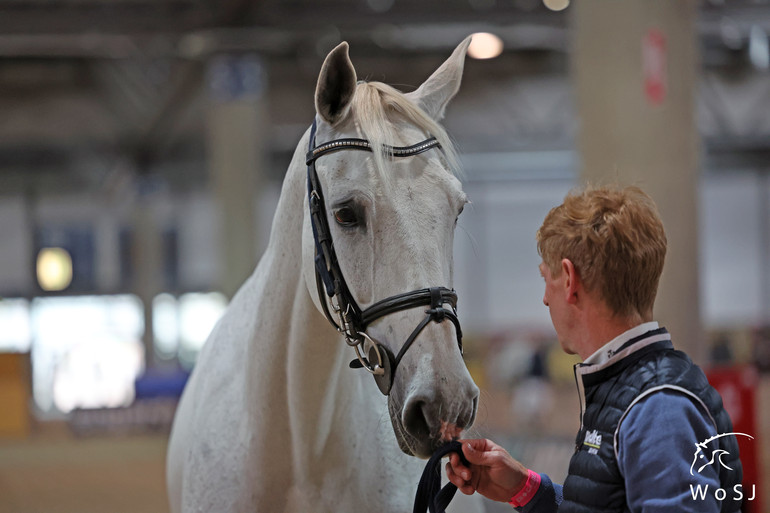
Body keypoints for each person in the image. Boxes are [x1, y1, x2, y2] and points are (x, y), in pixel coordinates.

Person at [446, 185, 743, 512]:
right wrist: (525, 488)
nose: (545, 298)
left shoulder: (659, 408)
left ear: (570, 281)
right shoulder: (632, 391)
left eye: (546, 278)